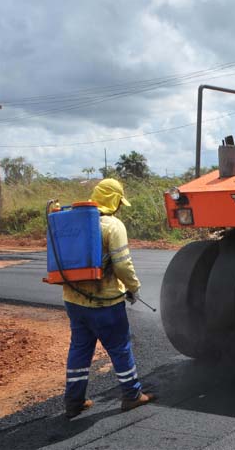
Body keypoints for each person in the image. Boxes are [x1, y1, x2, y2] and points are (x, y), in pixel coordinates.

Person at [63, 178, 155, 419]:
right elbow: (123, 265)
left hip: (73, 300)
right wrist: (134, 287)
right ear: (115, 201)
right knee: (119, 347)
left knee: (80, 348)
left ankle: (74, 401)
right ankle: (132, 395)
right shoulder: (112, 225)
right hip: (104, 302)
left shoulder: (71, 220)